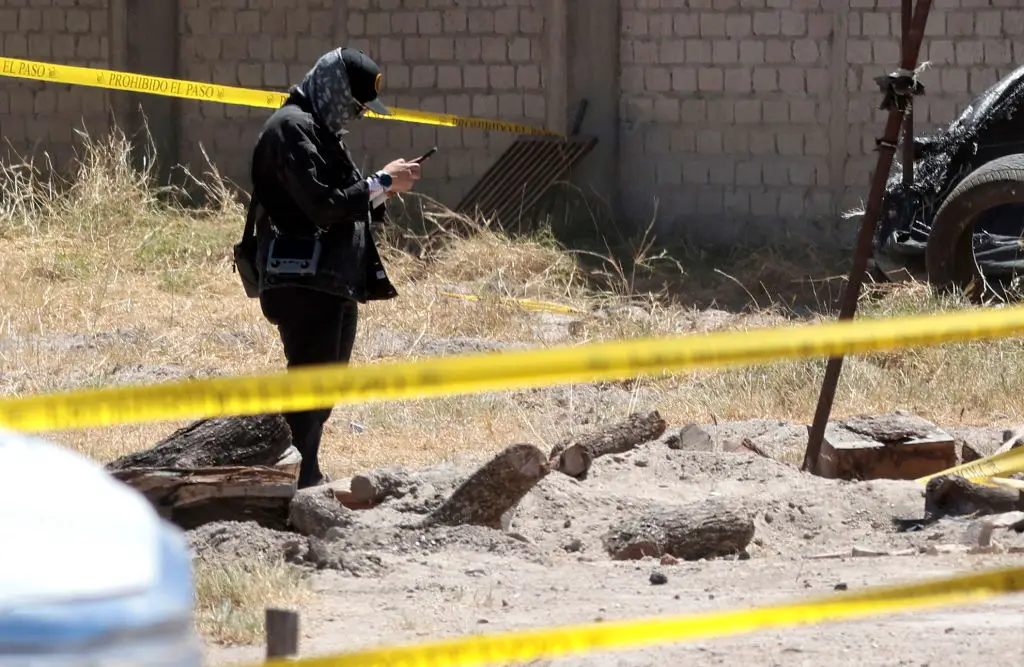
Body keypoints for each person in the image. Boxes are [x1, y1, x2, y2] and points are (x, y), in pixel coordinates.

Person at [239, 47, 422, 489]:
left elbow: (343, 200)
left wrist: (381, 190)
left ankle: (304, 471)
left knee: (325, 383)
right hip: (303, 282)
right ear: (333, 88)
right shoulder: (292, 128)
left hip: (332, 280)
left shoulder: (318, 128)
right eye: (354, 105)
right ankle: (291, 477)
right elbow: (321, 206)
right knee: (309, 381)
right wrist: (379, 182)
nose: (356, 115)